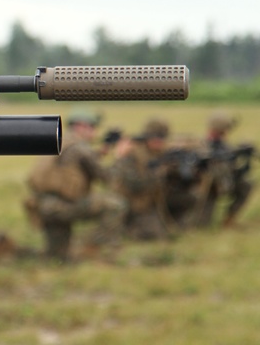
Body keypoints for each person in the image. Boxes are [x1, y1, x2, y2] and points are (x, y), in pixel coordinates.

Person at [19, 110, 127, 262]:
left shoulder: (60, 141)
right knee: (115, 205)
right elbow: (107, 177)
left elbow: (76, 162)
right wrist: (120, 157)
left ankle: (7, 248)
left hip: (45, 206)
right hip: (63, 206)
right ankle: (95, 249)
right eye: (92, 127)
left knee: (56, 257)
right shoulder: (80, 147)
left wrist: (102, 151)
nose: (94, 132)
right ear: (80, 126)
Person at [109, 118, 174, 241]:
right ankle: (127, 228)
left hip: (150, 203)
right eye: (156, 138)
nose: (159, 142)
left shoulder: (162, 152)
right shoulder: (132, 153)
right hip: (132, 204)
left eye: (162, 138)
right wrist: (159, 173)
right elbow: (135, 184)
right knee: (153, 235)